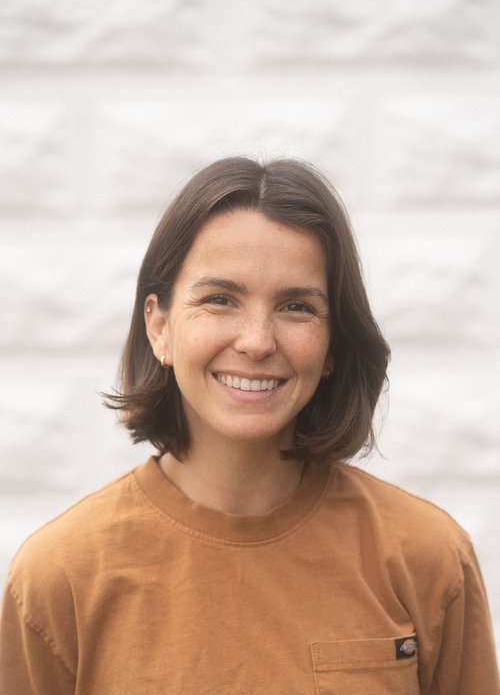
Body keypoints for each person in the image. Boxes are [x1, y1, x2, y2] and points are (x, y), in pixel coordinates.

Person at [0, 157, 498, 695]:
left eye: (296, 307)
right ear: (159, 327)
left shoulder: (427, 557)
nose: (257, 341)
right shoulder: (59, 577)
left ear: (333, 345)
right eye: (220, 299)